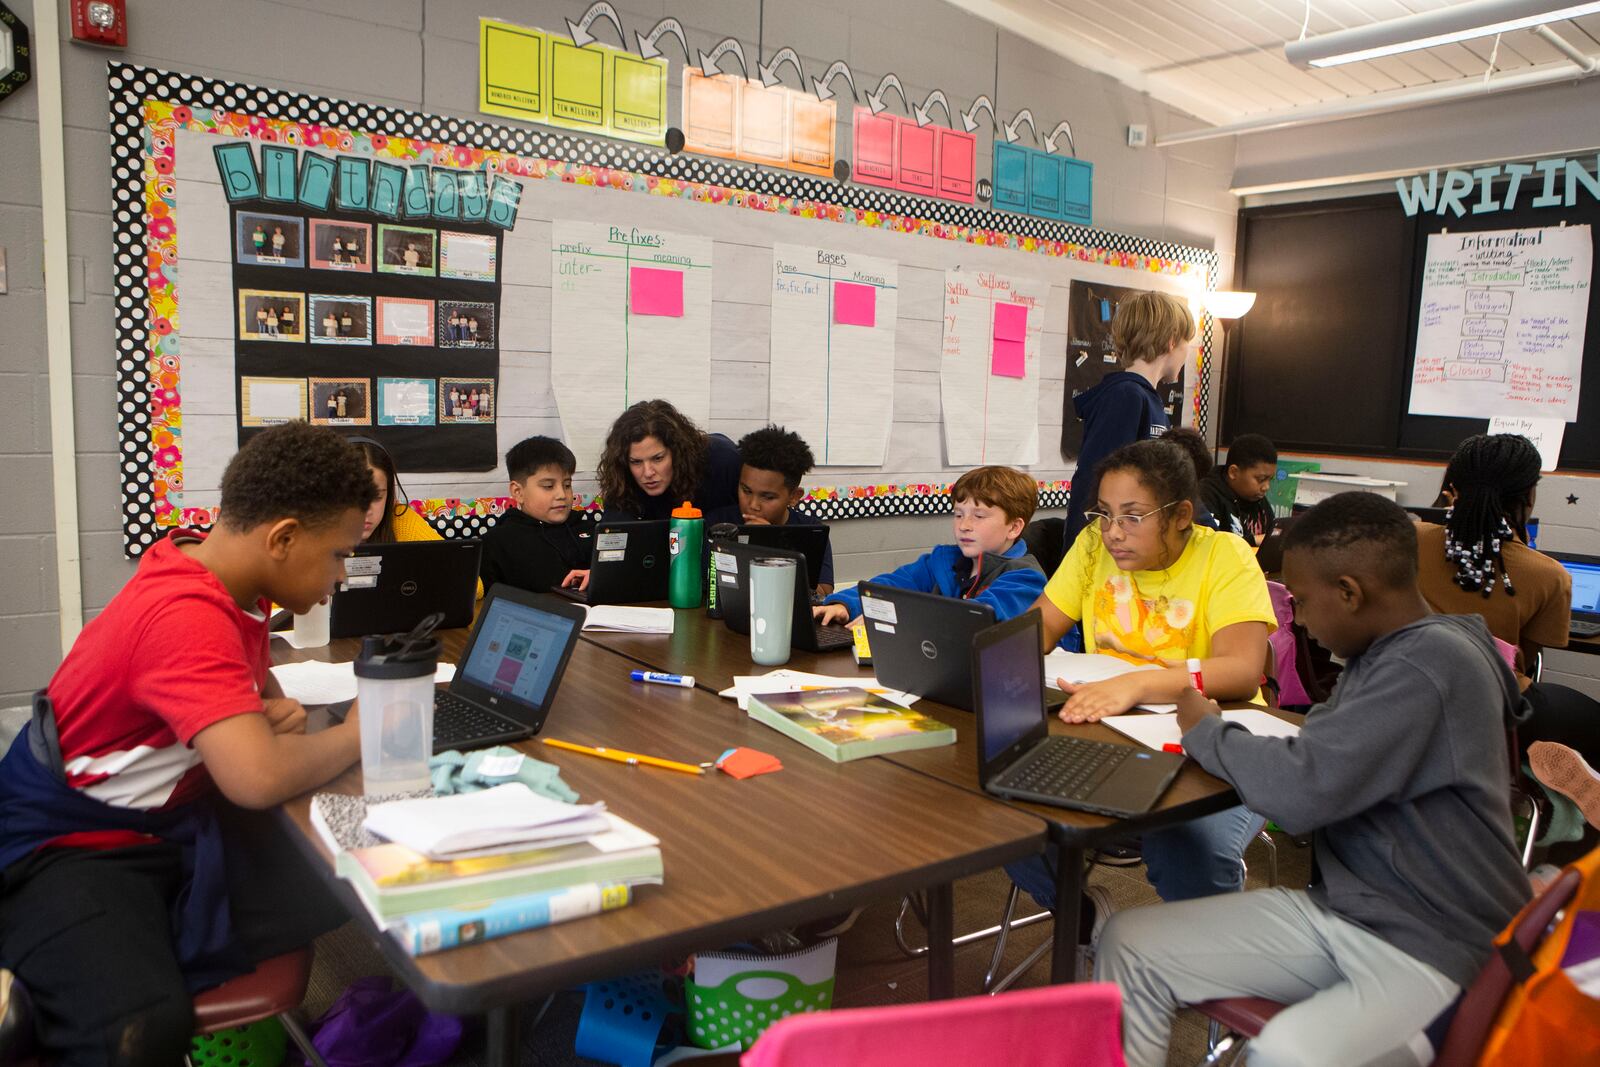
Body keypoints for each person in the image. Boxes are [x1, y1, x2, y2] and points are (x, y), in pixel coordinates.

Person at [1099, 492, 1532, 1067]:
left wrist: (1205, 729)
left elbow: (1301, 793)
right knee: (1130, 944)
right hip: (1354, 911)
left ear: (1350, 593)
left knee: (1287, 1053)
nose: (1297, 619)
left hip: (1436, 943)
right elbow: (1320, 753)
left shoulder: (1426, 665)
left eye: (1301, 602)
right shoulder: (1387, 654)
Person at [0, 422, 375, 1065]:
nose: (342, 573)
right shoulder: (184, 613)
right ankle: (29, 984)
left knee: (351, 872)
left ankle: (96, 951)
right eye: (339, 553)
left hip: (163, 819)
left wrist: (262, 713)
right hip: (67, 843)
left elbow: (254, 695)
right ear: (282, 538)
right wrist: (353, 735)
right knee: (137, 1028)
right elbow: (254, 778)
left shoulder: (223, 575)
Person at [1006, 436, 1274, 913]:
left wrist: (1138, 683)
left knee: (1190, 844)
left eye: (1132, 516)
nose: (1113, 532)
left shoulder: (1226, 556)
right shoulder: (1093, 546)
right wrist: (988, 651)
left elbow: (1241, 671)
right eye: (1104, 513)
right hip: (1110, 731)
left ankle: (1205, 965)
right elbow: (1042, 626)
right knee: (1010, 814)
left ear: (1181, 515)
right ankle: (1078, 919)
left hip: (1219, 741)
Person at [1415, 433, 1598, 764]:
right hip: (1492, 709)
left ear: (1452, 488)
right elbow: (1527, 658)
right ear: (1528, 496)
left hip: (1411, 693)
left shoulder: (1409, 539)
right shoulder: (1549, 574)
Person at [814, 465, 1045, 626]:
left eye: (979, 516)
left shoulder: (1025, 578)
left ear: (1013, 528)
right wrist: (846, 605)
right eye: (958, 515)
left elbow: (974, 619)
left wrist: (893, 617)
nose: (964, 525)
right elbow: (891, 586)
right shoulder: (942, 561)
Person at [1066, 291, 1194, 543]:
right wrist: (1083, 555)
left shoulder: (1147, 399)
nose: (1186, 353)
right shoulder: (1125, 396)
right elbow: (1095, 477)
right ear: (1171, 342)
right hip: (1106, 548)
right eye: (1186, 343)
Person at [706, 424, 835, 594]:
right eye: (746, 491)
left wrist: (770, 545)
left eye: (767, 497)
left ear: (794, 496)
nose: (753, 505)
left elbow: (822, 593)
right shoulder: (717, 524)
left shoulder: (811, 532)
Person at [480, 437, 591, 596]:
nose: (562, 494)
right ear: (518, 492)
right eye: (548, 486)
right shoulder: (496, 543)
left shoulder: (591, 530)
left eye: (567, 485)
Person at [597, 399, 741, 521]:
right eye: (636, 462)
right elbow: (613, 539)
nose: (647, 473)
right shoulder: (622, 481)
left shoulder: (722, 461)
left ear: (677, 452)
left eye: (658, 458)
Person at [1199, 432, 1278, 546]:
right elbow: (1209, 545)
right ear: (1233, 472)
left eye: (1270, 479)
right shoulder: (1206, 494)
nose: (1266, 487)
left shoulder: (1256, 497)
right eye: (1261, 479)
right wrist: (1254, 541)